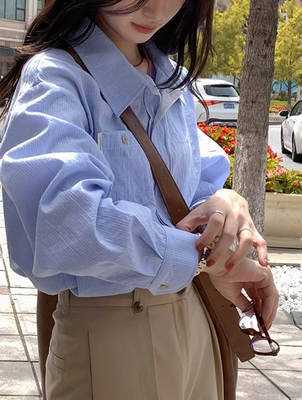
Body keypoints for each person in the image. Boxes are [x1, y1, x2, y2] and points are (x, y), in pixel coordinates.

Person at [0, 0, 279, 398]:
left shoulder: (168, 78)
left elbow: (190, 185)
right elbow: (66, 223)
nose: (156, 9)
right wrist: (200, 258)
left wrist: (224, 203)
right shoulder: (56, 77)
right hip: (113, 330)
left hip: (196, 315)